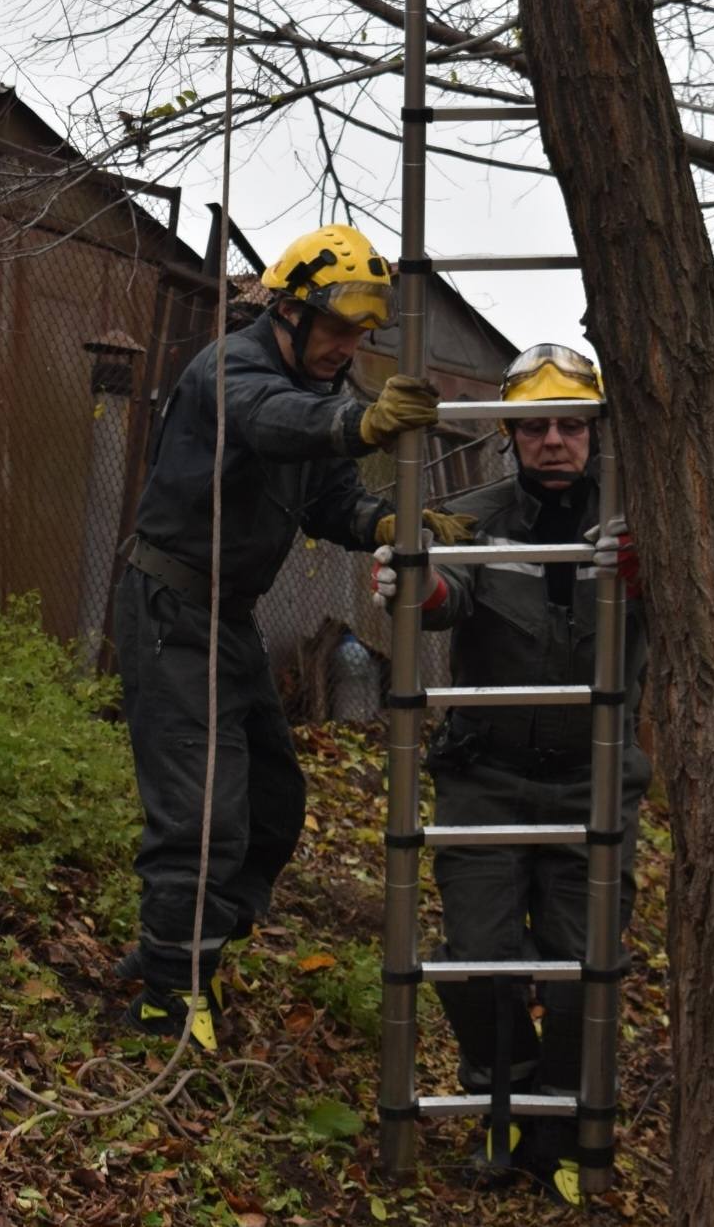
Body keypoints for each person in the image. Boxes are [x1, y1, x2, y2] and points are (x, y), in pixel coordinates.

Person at [114, 223, 471, 1050]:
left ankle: (187, 947)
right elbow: (271, 421)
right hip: (172, 608)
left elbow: (328, 499)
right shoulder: (232, 369)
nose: (348, 347)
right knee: (200, 812)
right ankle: (168, 995)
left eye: (361, 334)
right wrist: (361, 423)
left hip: (227, 615)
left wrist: (388, 519)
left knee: (273, 804)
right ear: (289, 310)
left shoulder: (318, 386)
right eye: (338, 327)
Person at [373, 343, 650, 1206]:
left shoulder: (639, 523)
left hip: (592, 779)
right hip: (484, 773)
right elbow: (445, 597)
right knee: (477, 957)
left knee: (583, 965)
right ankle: (504, 1107)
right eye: (534, 426)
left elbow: (707, 605)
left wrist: (651, 574)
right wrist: (413, 583)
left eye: (571, 424)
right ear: (509, 434)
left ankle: (561, 1132)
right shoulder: (474, 518)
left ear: (595, 432)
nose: (553, 440)